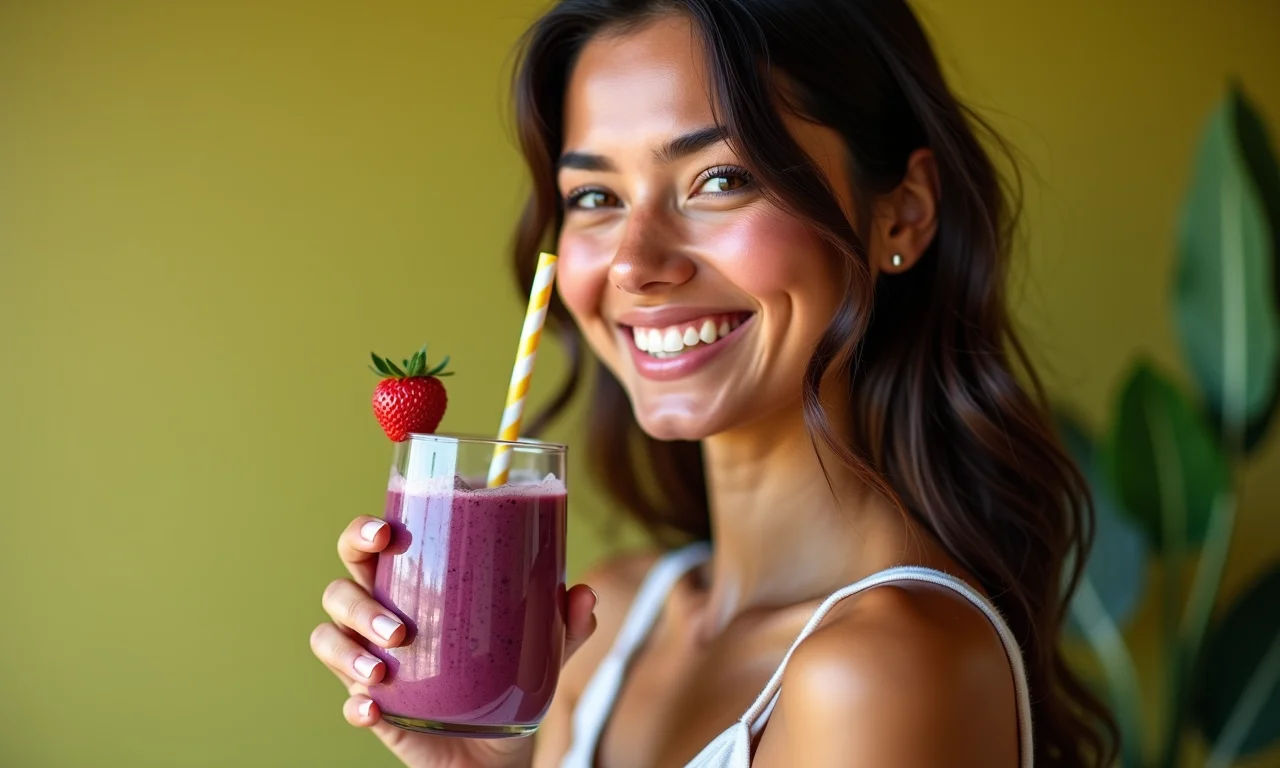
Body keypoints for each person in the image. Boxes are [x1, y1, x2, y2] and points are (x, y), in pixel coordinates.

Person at [309, 0, 1119, 765]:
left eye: (720, 180)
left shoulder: (881, 669)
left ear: (900, 214)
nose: (633, 262)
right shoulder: (617, 621)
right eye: (595, 196)